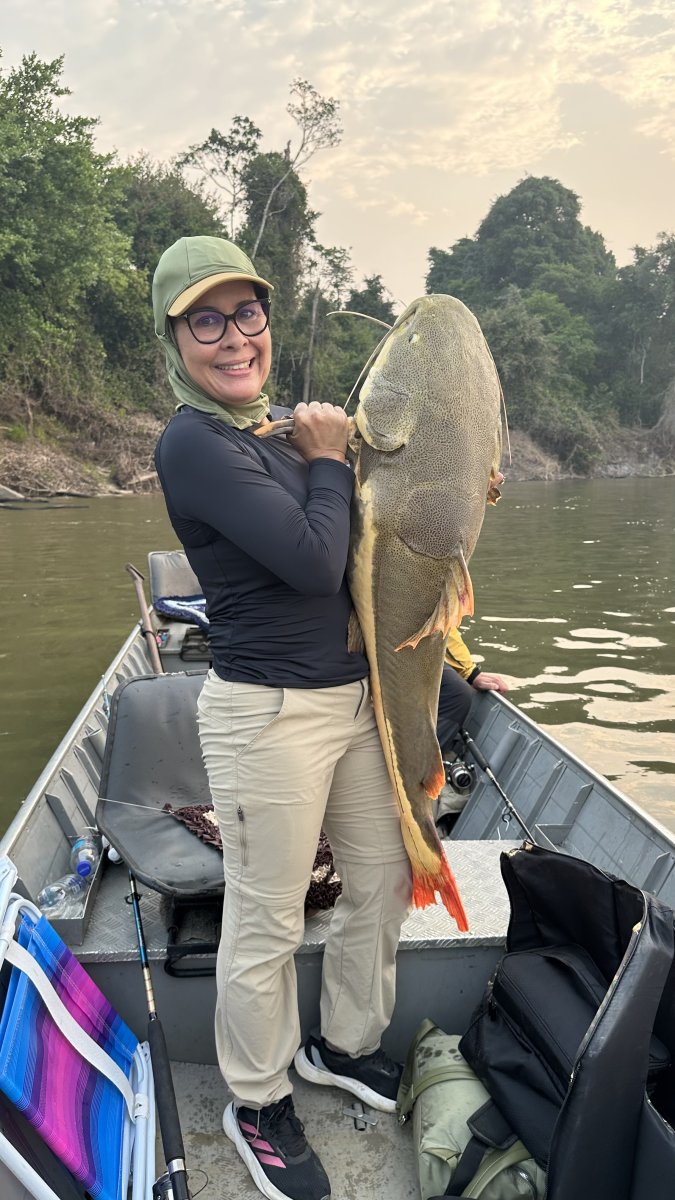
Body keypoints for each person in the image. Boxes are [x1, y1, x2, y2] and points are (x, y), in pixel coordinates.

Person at [152, 236, 412, 1200]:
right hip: (268, 715)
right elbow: (310, 560)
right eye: (205, 320)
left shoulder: (275, 434)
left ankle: (341, 1045)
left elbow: (370, 541)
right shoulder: (194, 443)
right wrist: (328, 457)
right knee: (265, 917)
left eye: (246, 313)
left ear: (267, 318)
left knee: (380, 882)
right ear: (174, 340)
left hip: (354, 703)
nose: (234, 338)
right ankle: (256, 1100)